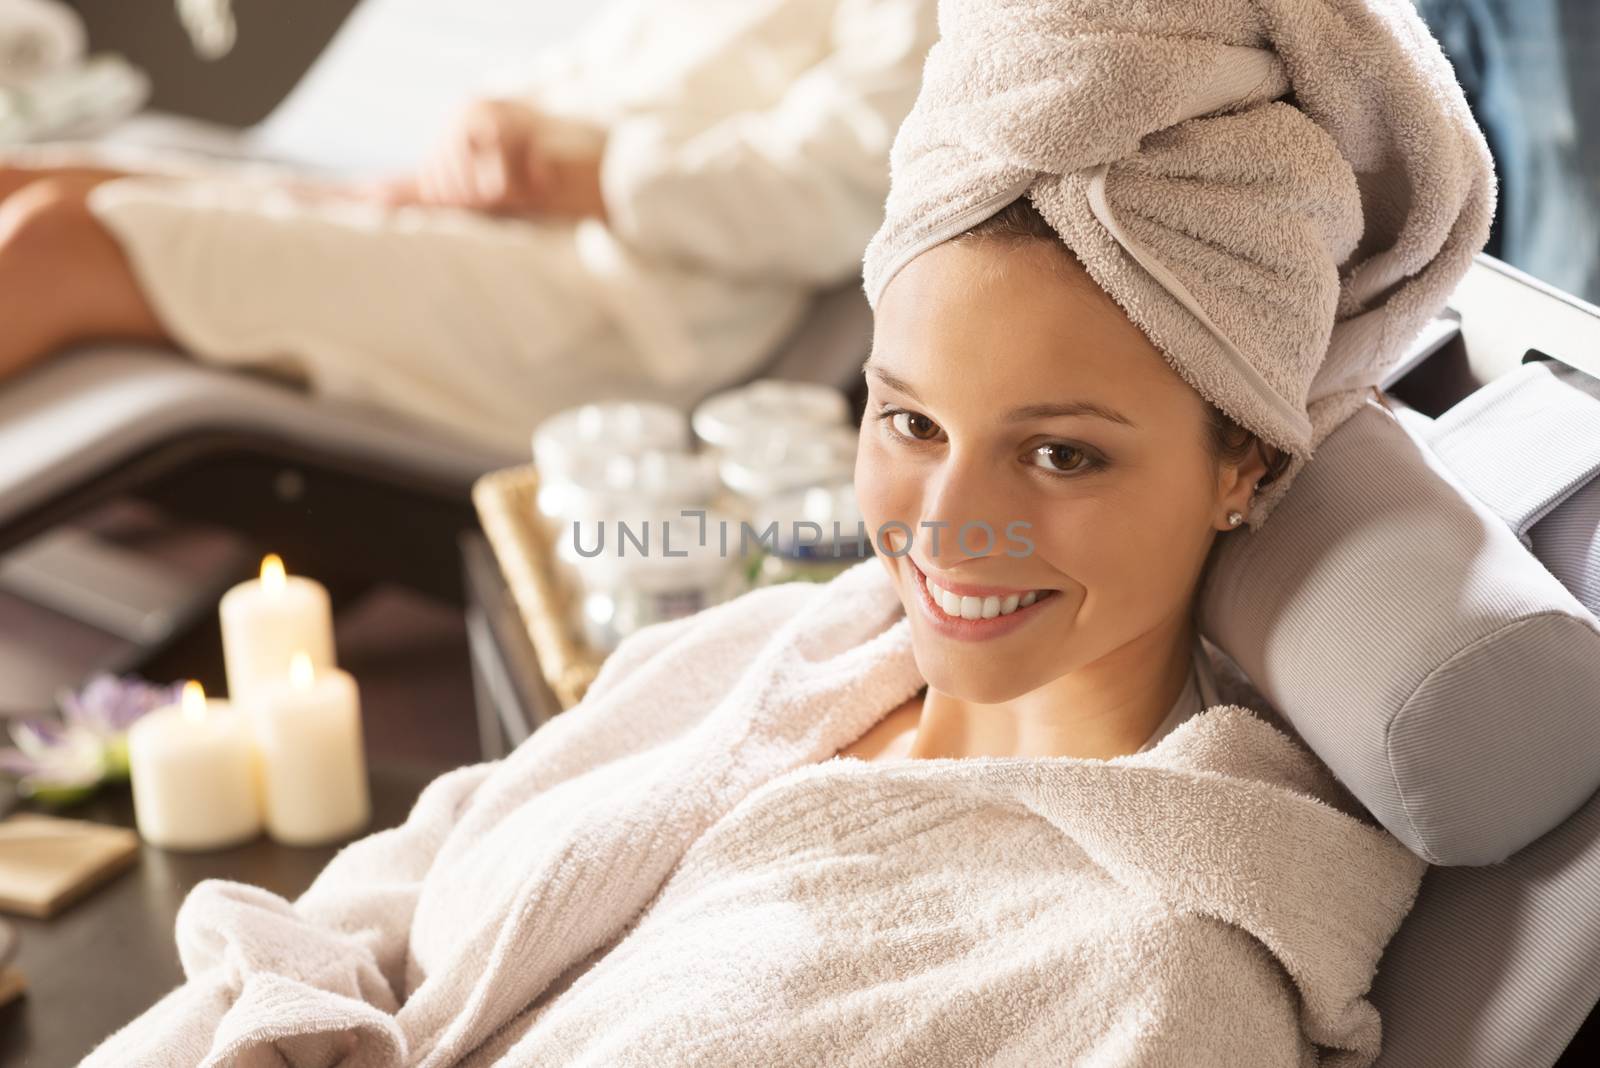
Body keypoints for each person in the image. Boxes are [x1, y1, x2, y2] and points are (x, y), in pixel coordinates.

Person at [80, 1, 1495, 1064]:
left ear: (1241, 465)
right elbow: (425, 853)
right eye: (909, 423)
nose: (947, 528)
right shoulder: (794, 644)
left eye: (1061, 452)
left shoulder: (1155, 979)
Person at [0, 0, 940, 453]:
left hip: (600, 306)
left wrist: (572, 177)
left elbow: (839, 194)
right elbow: (582, 74)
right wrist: (491, 118)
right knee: (22, 184)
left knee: (55, 243)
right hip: (495, 219)